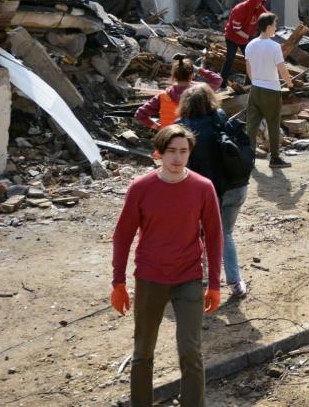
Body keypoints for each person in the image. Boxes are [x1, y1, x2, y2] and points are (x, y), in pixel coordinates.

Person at [110, 124, 223, 407]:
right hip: (150, 277)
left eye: (183, 151)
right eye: (171, 151)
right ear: (158, 153)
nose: (177, 158)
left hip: (188, 277)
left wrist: (214, 284)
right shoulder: (141, 188)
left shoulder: (203, 187)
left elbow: (214, 236)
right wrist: (118, 282)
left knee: (191, 352)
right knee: (143, 352)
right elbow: (123, 235)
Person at [178, 84, 251, 300]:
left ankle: (199, 276)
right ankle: (235, 282)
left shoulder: (181, 130)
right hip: (236, 187)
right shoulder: (223, 120)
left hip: (204, 192)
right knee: (225, 233)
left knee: (197, 234)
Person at [245, 12, 293, 169]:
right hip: (271, 90)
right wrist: (290, 83)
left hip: (255, 89)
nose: (276, 28)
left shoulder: (250, 45)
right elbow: (282, 69)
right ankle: (275, 159)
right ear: (268, 27)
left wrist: (256, 82)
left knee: (251, 125)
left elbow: (248, 70)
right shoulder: (274, 46)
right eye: (274, 25)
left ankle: (248, 157)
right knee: (273, 124)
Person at [135, 55, 222, 130]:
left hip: (168, 139)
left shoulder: (163, 96)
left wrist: (159, 128)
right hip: (193, 141)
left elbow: (140, 115)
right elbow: (218, 80)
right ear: (192, 74)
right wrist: (198, 69)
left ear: (174, 75)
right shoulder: (201, 91)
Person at [221, 0, 267, 88]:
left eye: (261, 3)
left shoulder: (259, 9)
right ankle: (222, 84)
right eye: (258, 3)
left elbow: (267, 17)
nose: (260, 5)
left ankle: (249, 84)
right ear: (253, 1)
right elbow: (236, 29)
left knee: (251, 60)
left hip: (245, 39)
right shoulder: (240, 9)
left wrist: (271, 25)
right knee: (230, 59)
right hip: (232, 37)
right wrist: (250, 37)